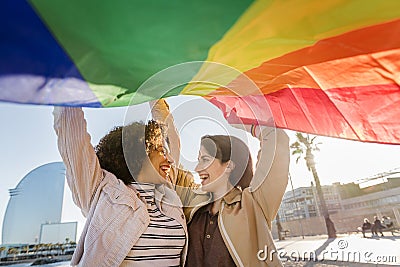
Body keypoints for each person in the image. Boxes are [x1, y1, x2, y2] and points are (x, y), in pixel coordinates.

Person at [53, 105, 190, 266]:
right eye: (161, 151)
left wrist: (154, 95)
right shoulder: (102, 190)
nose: (171, 160)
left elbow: (171, 137)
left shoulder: (167, 191)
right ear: (140, 152)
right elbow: (72, 134)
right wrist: (68, 90)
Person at [185, 126, 290, 267]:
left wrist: (251, 126)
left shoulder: (253, 203)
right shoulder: (193, 205)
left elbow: (277, 140)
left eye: (205, 159)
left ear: (228, 166)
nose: (197, 168)